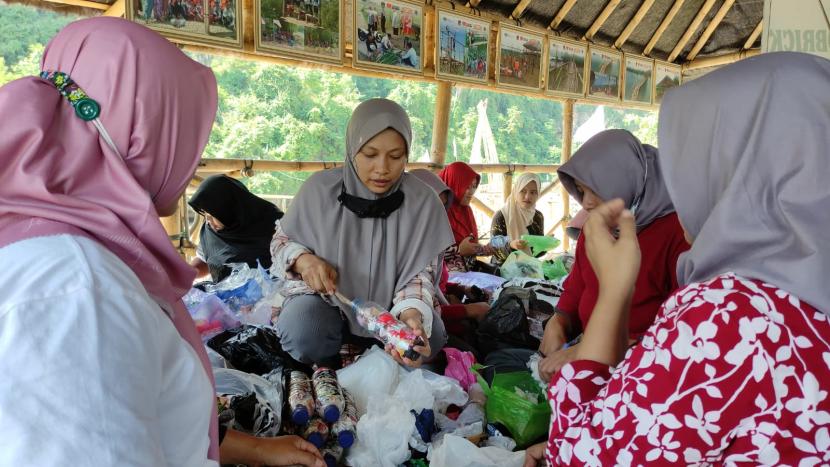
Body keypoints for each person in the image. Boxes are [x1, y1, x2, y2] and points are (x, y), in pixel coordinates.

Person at [0, 18, 323, 467]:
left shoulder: (35, 238)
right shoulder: (82, 288)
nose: (190, 162)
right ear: (142, 136)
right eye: (184, 135)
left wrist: (255, 450)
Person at [524, 52, 830, 466]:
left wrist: (616, 292)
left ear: (735, 171)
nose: (681, 189)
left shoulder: (732, 316)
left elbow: (583, 457)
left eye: (694, 165)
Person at [270, 99, 455, 368]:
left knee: (430, 337)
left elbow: (419, 275)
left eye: (395, 156)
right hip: (328, 307)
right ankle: (327, 362)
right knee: (305, 329)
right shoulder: (319, 191)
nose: (382, 168)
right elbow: (281, 242)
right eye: (369, 154)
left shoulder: (422, 202)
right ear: (352, 148)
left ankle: (392, 352)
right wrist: (303, 260)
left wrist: (412, 315)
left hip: (392, 314)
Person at [534, 129, 689, 381]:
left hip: (643, 368)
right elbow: (577, 287)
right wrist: (558, 321)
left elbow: (679, 326)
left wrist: (587, 351)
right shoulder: (597, 227)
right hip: (589, 351)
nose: (586, 203)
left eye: (594, 189)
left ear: (623, 180)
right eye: (581, 192)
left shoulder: (676, 233)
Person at [188, 174, 283, 283]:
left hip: (272, 294)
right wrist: (186, 273)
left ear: (227, 209)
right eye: (206, 215)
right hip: (227, 294)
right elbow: (206, 259)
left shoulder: (273, 224)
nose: (208, 221)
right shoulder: (211, 231)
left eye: (213, 215)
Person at [439, 161, 527, 274]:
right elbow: (428, 253)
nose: (470, 192)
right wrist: (459, 251)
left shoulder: (466, 212)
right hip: (444, 278)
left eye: (474, 186)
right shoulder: (437, 213)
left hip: (470, 272)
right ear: (453, 183)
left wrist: (508, 244)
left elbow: (475, 249)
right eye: (466, 186)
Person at [490, 172, 544, 265]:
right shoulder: (502, 215)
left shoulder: (538, 216)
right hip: (502, 268)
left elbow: (537, 254)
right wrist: (511, 245)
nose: (527, 196)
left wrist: (545, 244)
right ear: (516, 190)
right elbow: (493, 247)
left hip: (529, 267)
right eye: (523, 191)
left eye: (533, 192)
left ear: (538, 194)